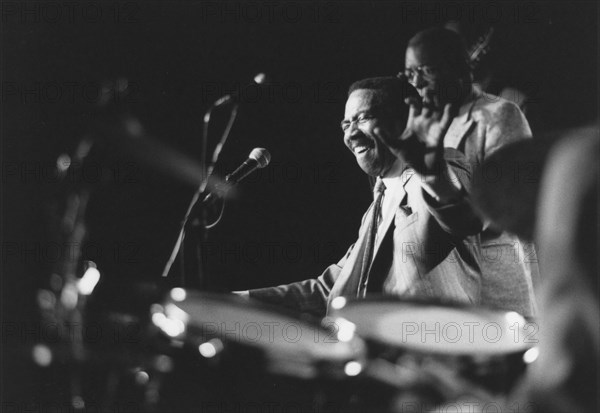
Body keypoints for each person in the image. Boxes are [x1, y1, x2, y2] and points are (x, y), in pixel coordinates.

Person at [244, 77, 483, 317]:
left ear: (403, 120)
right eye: (346, 124)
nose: (351, 134)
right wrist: (238, 301)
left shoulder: (442, 166)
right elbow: (329, 289)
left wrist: (433, 174)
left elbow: (466, 219)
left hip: (433, 347)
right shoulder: (376, 207)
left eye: (363, 118)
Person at [403, 27, 539, 318]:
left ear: (459, 69)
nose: (415, 82)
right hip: (443, 295)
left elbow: (504, 214)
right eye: (409, 73)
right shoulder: (425, 123)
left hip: (492, 297)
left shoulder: (500, 115)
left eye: (424, 70)